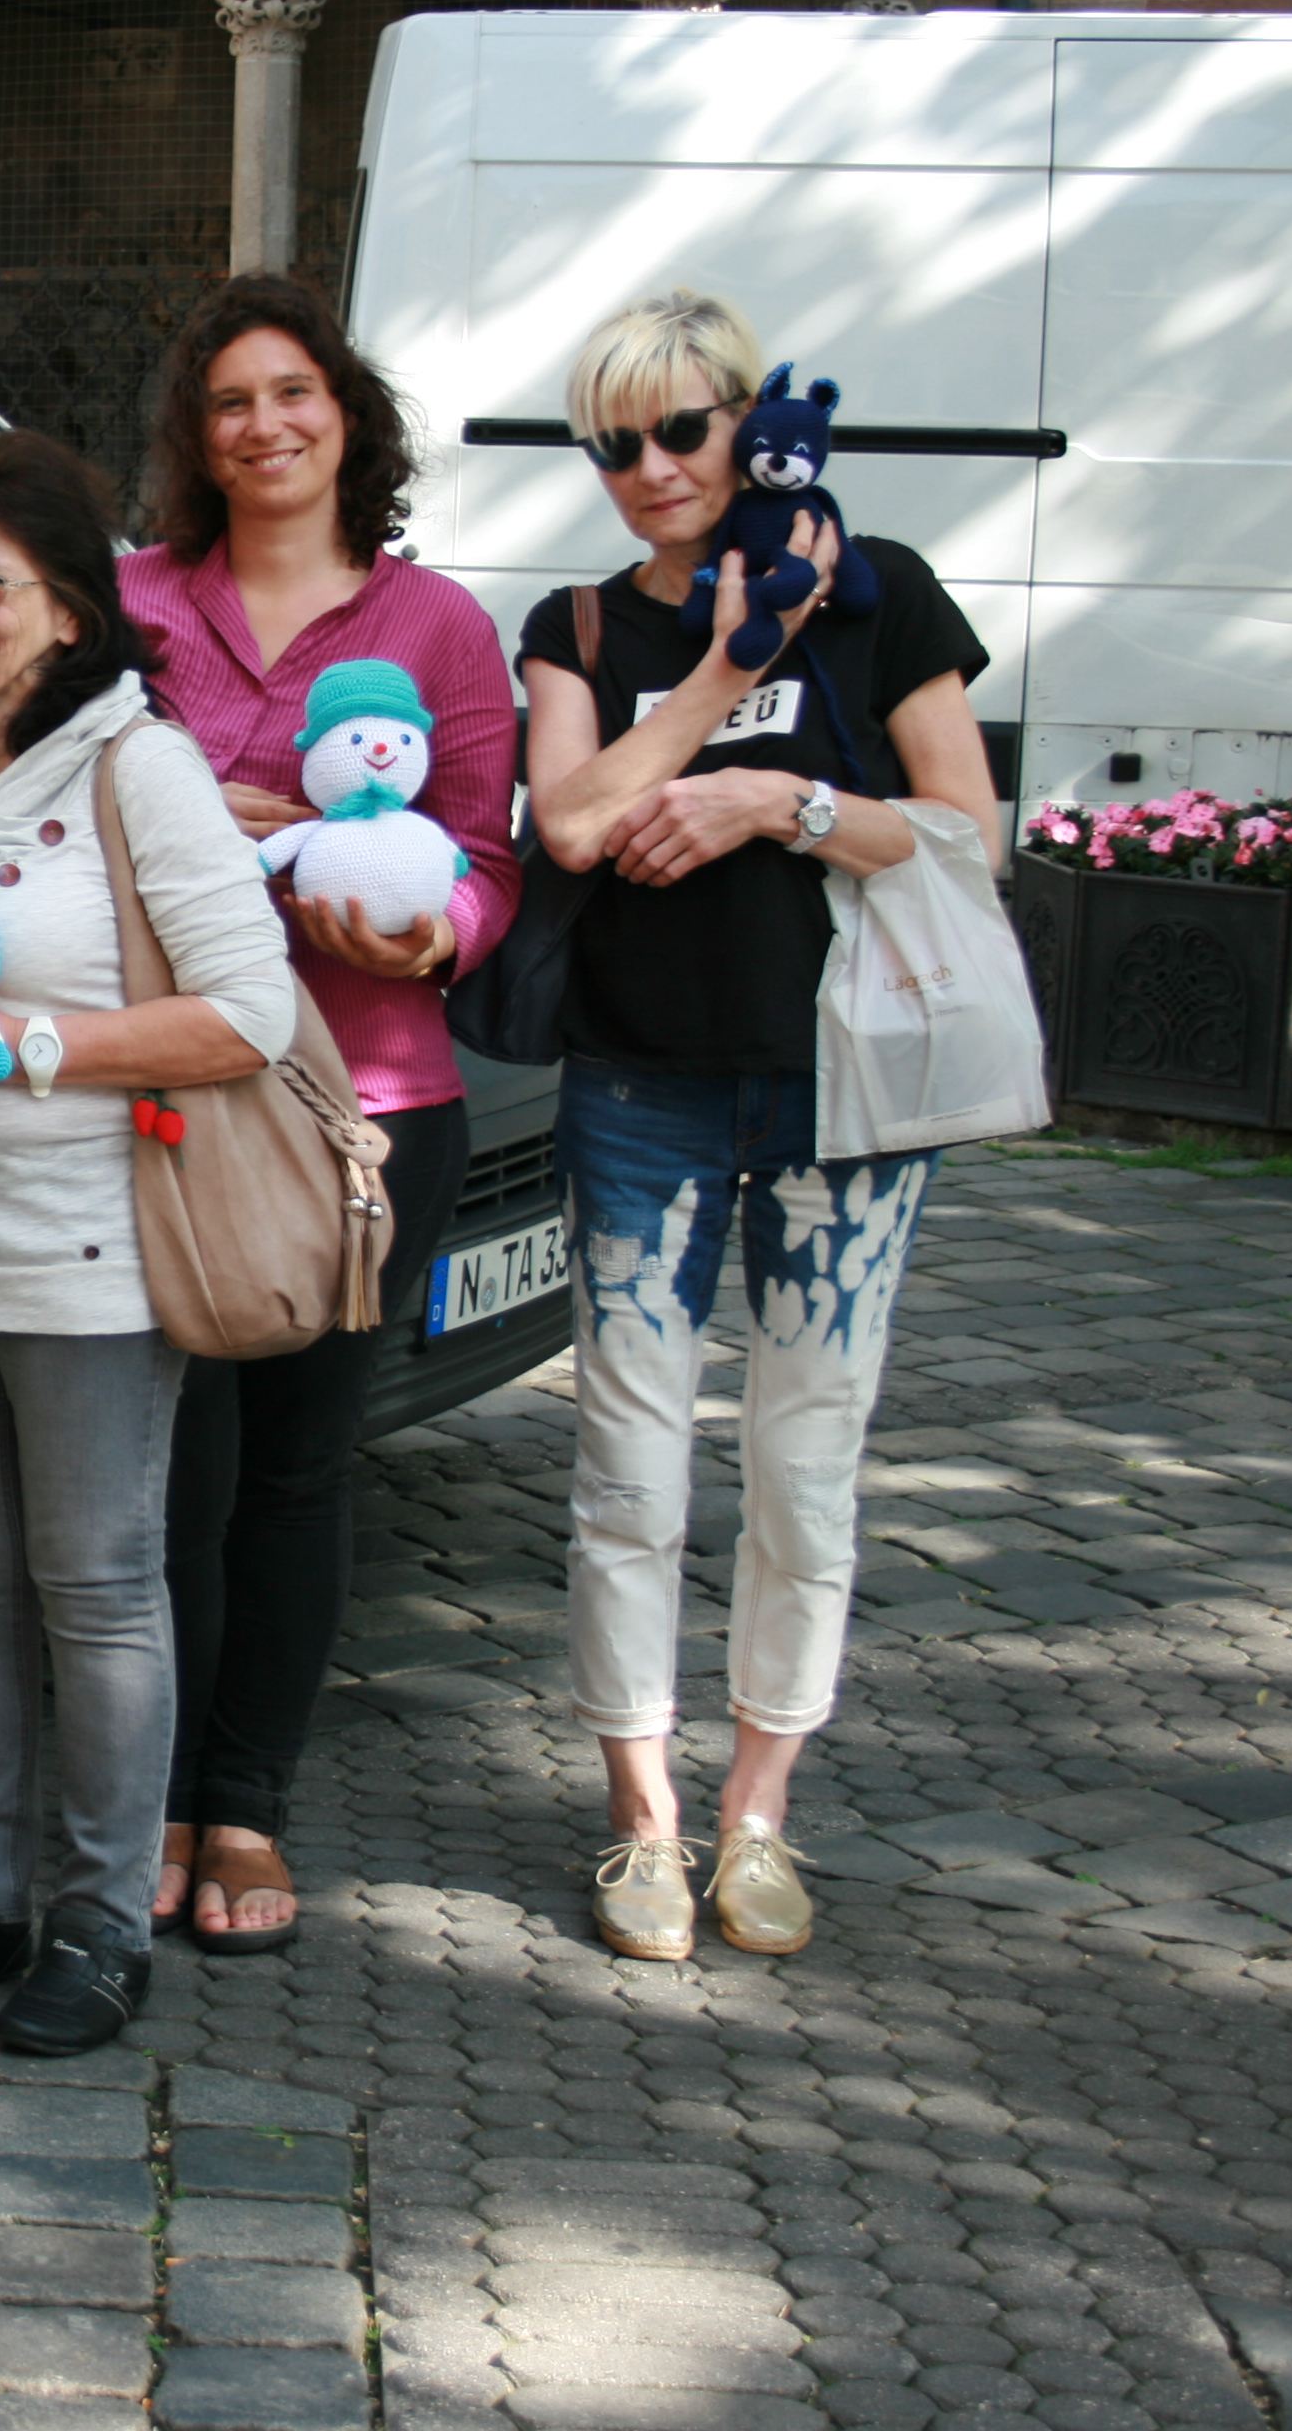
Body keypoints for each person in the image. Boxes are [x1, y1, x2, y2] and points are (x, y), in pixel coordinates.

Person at [0, 432, 299, 2057]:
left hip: (87, 1247)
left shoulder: (130, 769)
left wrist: (1, 1043)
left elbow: (246, 1011)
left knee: (91, 1585)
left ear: (67, 611)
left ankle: (95, 1918)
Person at [525, 289, 999, 1963]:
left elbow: (962, 834)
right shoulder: (580, 626)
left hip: (841, 1092)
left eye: (677, 427)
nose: (646, 466)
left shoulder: (881, 602)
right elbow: (569, 826)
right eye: (610, 440)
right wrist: (726, 668)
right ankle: (642, 1821)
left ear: (750, 420)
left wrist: (775, 799)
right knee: (627, 1469)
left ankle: (759, 1816)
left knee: (806, 1465)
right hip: (637, 1086)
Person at [111, 276, 520, 1957]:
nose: (264, 424)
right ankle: (146, 1799)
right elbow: (50, 781)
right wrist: (195, 810)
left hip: (366, 1104)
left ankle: (248, 1801)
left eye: (294, 392)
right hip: (171, 1092)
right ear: (193, 438)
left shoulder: (434, 627)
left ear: (346, 416)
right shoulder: (130, 601)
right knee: (167, 1477)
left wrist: (432, 933)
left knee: (295, 1470)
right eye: (228, 400)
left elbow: (485, 855)